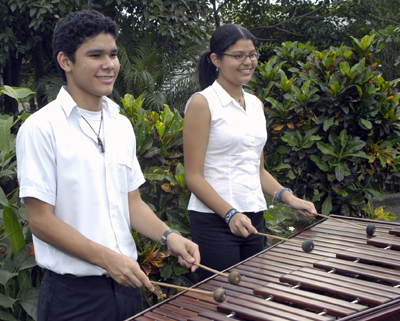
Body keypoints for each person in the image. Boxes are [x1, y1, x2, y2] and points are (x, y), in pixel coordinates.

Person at [16, 9, 200, 321]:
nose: (109, 64)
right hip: (73, 299)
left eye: (113, 54)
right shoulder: (41, 128)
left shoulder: (121, 124)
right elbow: (40, 221)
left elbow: (131, 202)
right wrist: (107, 259)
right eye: (96, 54)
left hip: (126, 288)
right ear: (66, 61)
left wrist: (170, 237)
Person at [183, 24, 316, 282]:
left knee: (252, 298)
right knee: (224, 302)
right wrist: (230, 213)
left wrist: (290, 199)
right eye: (238, 55)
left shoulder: (255, 104)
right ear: (216, 59)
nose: (248, 62)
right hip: (214, 221)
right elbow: (194, 177)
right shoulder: (202, 103)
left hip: (253, 217)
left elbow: (258, 170)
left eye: (253, 54)